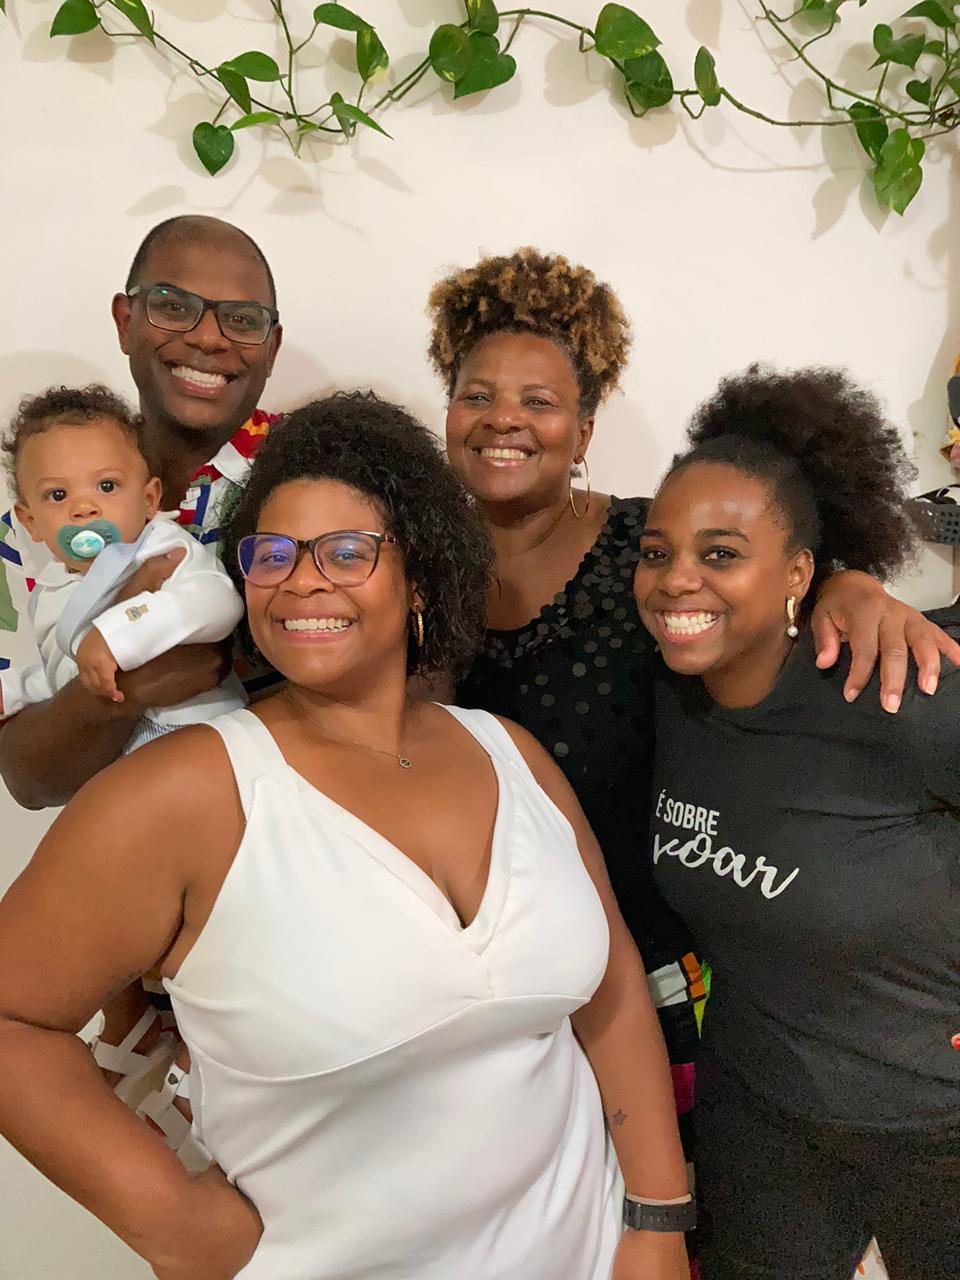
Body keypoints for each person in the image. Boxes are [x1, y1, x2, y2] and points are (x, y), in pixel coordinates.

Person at [0, 393, 693, 1280]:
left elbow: (613, 989)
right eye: (273, 553)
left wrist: (656, 1220)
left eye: (346, 551)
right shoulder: (183, 795)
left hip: (590, 1253)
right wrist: (180, 1227)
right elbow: (14, 1020)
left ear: (420, 578)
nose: (301, 580)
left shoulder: (510, 753)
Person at [425, 248, 960, 1231]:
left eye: (539, 399)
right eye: (478, 394)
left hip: (658, 988)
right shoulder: (413, 570)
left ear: (585, 429)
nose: (505, 418)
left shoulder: (648, 550)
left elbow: (759, 579)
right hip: (483, 992)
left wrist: (850, 582)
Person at [633, 365, 960, 1280]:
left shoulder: (890, 686)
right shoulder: (668, 695)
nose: (678, 579)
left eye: (721, 553)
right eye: (656, 552)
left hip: (936, 1126)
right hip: (763, 1119)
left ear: (800, 573)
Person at [0, 214, 283, 810]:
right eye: (173, 306)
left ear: (272, 347)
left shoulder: (317, 474)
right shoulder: (33, 524)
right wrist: (129, 684)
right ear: (125, 321)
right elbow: (29, 778)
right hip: (125, 827)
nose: (209, 339)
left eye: (242, 319)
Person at [0, 384, 245, 739]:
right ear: (30, 521)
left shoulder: (160, 546)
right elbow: (70, 675)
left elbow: (217, 601)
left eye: (107, 486)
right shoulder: (47, 591)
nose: (84, 507)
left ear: (149, 500)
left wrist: (117, 631)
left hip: (195, 726)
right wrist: (18, 689)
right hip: (118, 745)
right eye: (58, 494)